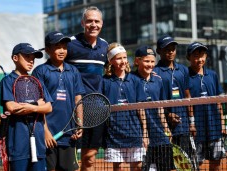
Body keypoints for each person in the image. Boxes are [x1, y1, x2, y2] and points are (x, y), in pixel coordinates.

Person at [32, 31, 86, 171]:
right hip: (48, 135)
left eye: (64, 47)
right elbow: (39, 104)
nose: (62, 50)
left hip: (69, 135)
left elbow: (77, 99)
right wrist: (45, 132)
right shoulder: (40, 71)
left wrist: (79, 123)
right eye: (57, 46)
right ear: (48, 49)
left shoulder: (73, 71)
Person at [65, 6, 108, 170]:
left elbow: (119, 67)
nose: (93, 24)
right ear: (83, 22)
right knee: (69, 163)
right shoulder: (70, 44)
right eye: (89, 21)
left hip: (97, 110)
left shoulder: (105, 46)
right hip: (73, 110)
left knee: (89, 159)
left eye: (97, 21)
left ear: (102, 24)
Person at [0, 43, 53, 171]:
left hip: (39, 143)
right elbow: (12, 107)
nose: (31, 60)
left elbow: (48, 107)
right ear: (15, 58)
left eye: (33, 57)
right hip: (17, 144)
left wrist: (31, 108)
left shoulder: (37, 82)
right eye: (27, 56)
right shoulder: (7, 81)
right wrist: (36, 104)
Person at [102, 43, 148, 171]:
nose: (123, 61)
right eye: (118, 58)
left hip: (135, 132)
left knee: (138, 166)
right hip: (113, 133)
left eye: (124, 57)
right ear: (111, 61)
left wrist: (145, 133)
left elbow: (141, 108)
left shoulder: (135, 80)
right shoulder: (104, 81)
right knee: (119, 168)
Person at [153, 35, 196, 167]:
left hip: (182, 128)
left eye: (173, 48)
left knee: (184, 165)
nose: (170, 51)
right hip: (164, 128)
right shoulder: (154, 71)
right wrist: (167, 114)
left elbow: (187, 96)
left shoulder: (183, 69)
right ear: (158, 51)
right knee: (166, 165)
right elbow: (154, 101)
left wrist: (191, 122)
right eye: (166, 49)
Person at [133, 46, 175, 171]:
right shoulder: (131, 79)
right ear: (137, 61)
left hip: (160, 134)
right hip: (140, 133)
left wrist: (166, 128)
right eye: (146, 61)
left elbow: (160, 107)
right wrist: (144, 133)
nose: (150, 65)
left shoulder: (158, 80)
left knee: (165, 167)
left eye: (152, 62)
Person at [186, 42, 226, 171]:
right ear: (189, 57)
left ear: (206, 56)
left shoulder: (213, 75)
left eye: (202, 55)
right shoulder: (185, 75)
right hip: (196, 130)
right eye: (196, 55)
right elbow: (187, 102)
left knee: (216, 163)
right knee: (195, 165)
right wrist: (191, 124)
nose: (200, 59)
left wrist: (222, 123)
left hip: (214, 128)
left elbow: (218, 101)